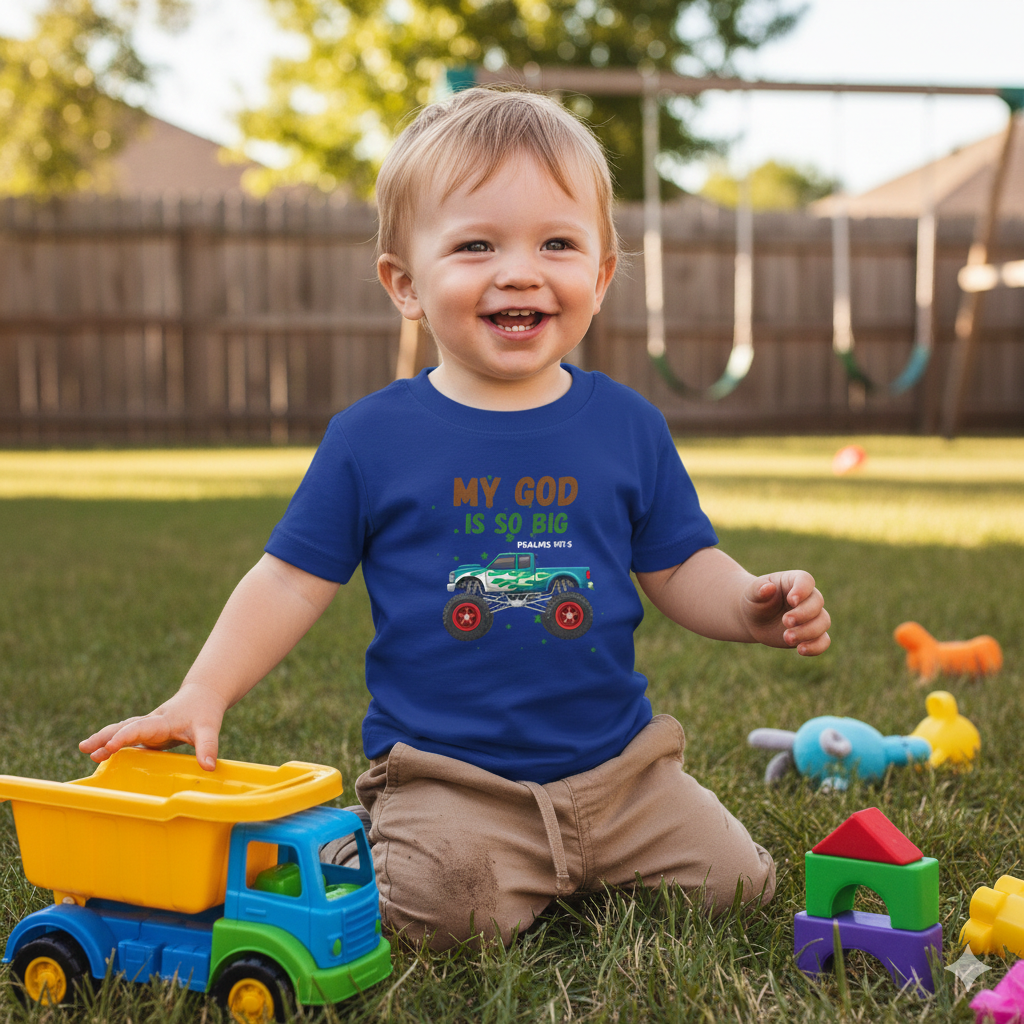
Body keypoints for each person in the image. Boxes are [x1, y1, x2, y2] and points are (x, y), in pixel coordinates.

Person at [81, 87, 831, 951]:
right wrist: (203, 690)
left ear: (600, 274)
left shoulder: (628, 426)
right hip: (452, 779)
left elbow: (678, 561)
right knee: (441, 916)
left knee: (741, 887)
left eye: (557, 242)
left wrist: (746, 605)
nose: (520, 270)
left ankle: (578, 856)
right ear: (405, 284)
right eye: (477, 245)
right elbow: (290, 578)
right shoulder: (372, 438)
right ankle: (416, 845)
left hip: (623, 778)